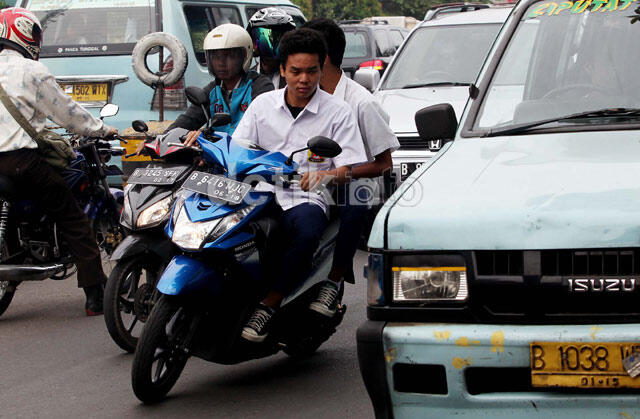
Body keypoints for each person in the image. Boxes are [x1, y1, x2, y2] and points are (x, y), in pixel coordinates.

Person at [233, 28, 368, 342]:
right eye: (295, 71)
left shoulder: (339, 111)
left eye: (311, 71)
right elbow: (239, 148)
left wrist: (325, 176)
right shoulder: (262, 106)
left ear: (322, 69)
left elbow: (350, 164)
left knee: (307, 232)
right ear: (282, 70)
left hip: (305, 196)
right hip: (257, 192)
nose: (303, 79)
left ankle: (269, 304)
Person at [0, 8, 118, 315]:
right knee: (73, 219)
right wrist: (102, 128)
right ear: (26, 34)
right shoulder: (32, 72)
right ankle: (95, 295)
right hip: (21, 161)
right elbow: (68, 112)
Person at [302, 18, 399, 317]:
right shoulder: (303, 97)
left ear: (324, 58)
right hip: (312, 178)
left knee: (355, 200)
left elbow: (384, 164)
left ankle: (333, 281)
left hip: (354, 183)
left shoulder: (362, 104)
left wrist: (335, 175)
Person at [170, 24, 274, 147]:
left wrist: (207, 137)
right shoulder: (212, 90)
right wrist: (159, 139)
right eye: (215, 57)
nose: (221, 63)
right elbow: (187, 121)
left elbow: (255, 132)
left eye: (229, 56)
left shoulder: (260, 86)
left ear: (244, 56)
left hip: (251, 159)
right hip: (217, 159)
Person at [247, 7, 296, 89]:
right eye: (264, 43)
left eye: (277, 44)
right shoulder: (247, 78)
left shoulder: (294, 79)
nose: (269, 54)